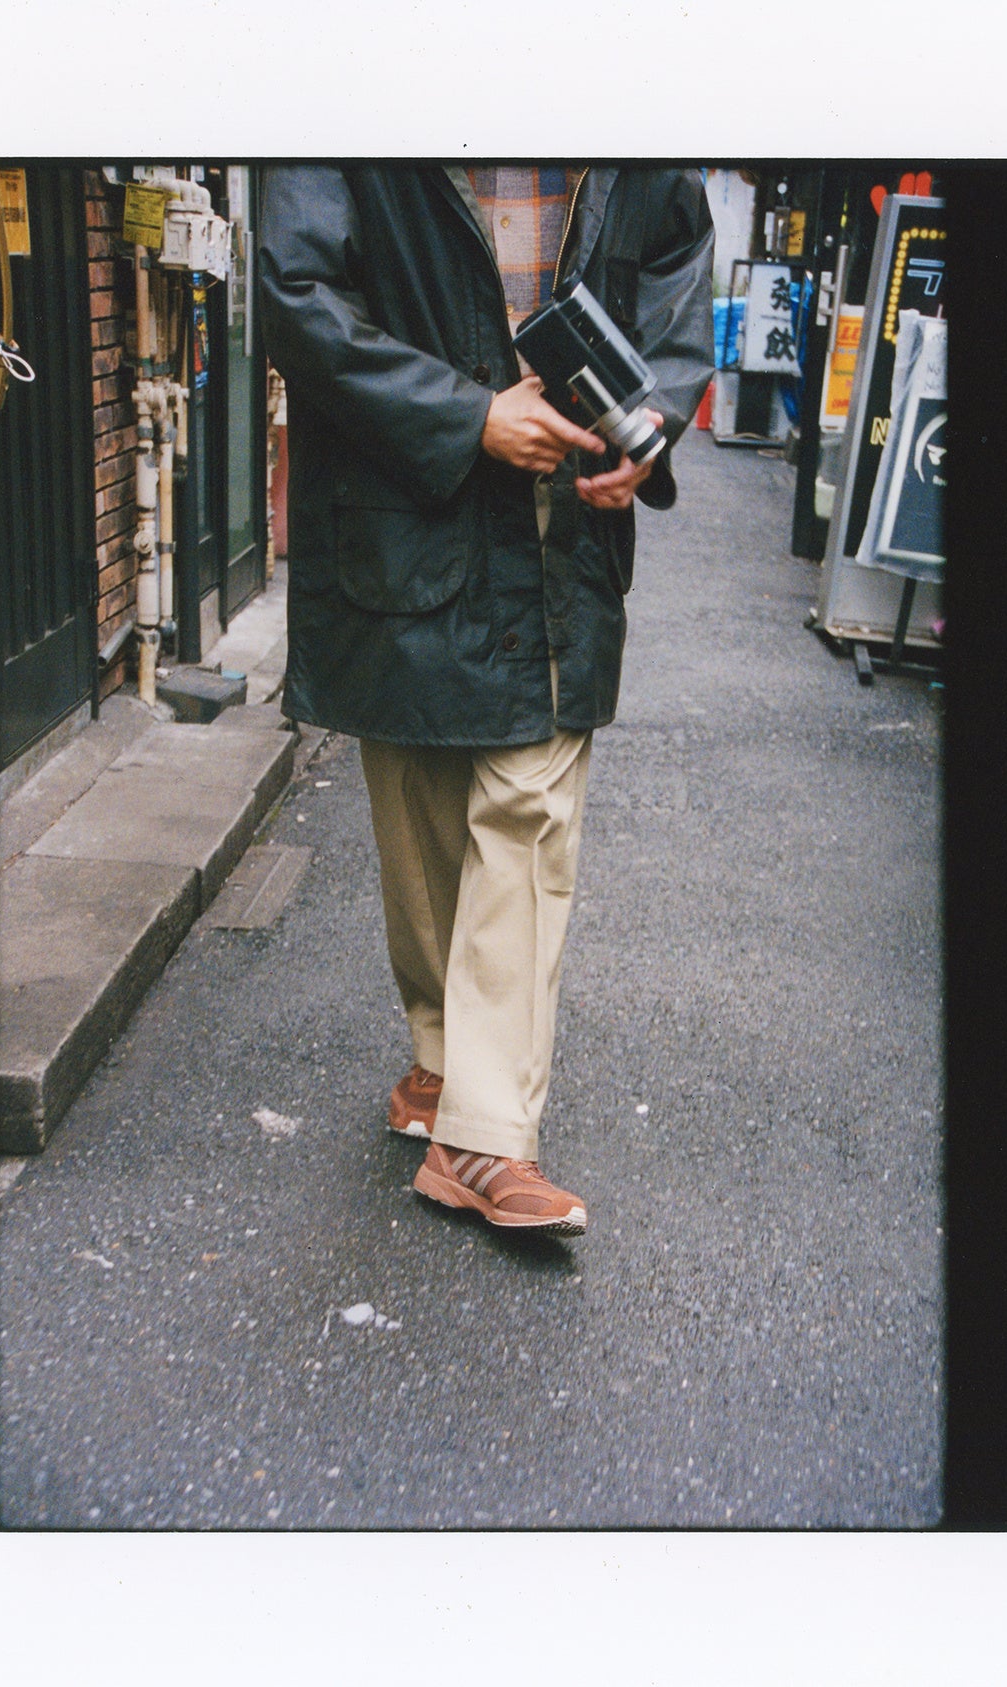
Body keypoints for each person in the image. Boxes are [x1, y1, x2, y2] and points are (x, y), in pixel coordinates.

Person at [260, 167, 714, 1237]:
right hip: (406, 505)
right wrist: (467, 416)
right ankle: (441, 1058)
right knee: (418, 802)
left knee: (527, 808)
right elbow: (297, 291)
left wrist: (647, 417)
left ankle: (483, 1134)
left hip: (566, 510)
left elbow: (674, 261)